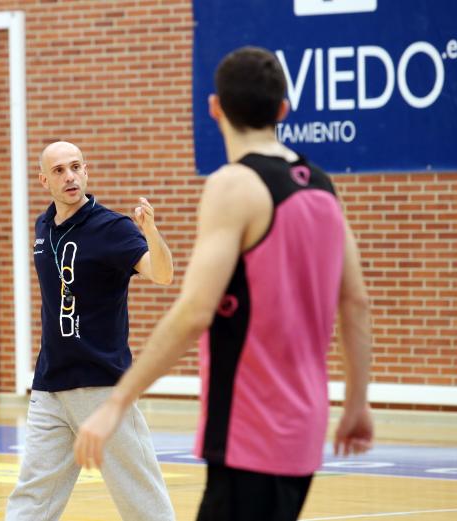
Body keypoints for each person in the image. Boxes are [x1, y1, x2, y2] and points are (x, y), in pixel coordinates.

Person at [74, 46, 374, 521]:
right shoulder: (321, 185)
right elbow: (355, 303)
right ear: (283, 110)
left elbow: (194, 312)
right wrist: (357, 401)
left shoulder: (233, 185)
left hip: (250, 428)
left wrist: (117, 401)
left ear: (215, 108)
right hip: (306, 426)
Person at [5, 141, 177, 520]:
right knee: (32, 497)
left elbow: (163, 274)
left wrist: (151, 232)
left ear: (86, 171)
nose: (70, 176)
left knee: (142, 501)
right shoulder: (43, 227)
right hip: (50, 386)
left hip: (102, 386)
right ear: (44, 180)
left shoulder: (112, 227)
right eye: (59, 170)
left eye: (75, 167)